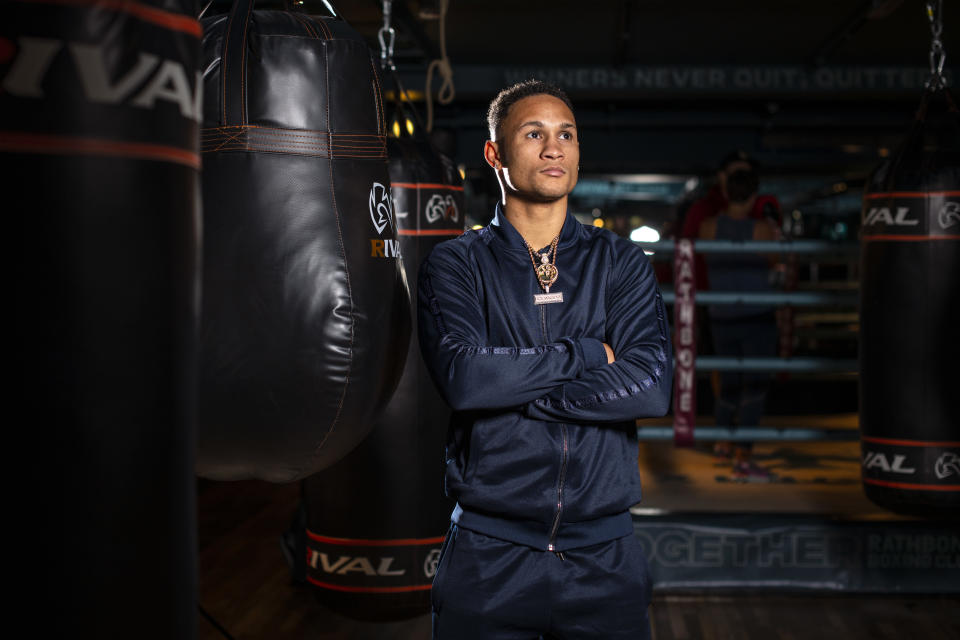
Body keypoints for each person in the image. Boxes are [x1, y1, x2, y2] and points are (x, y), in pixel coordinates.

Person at [417, 79, 672, 639]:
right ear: (495, 153)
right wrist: (586, 354)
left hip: (605, 560)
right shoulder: (456, 265)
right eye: (534, 134)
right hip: (489, 558)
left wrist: (515, 392)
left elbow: (651, 387)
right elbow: (466, 380)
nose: (554, 148)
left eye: (566, 135)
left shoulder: (622, 263)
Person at [698, 165, 779, 481]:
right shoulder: (760, 230)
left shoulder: (708, 226)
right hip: (756, 314)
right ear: (755, 196)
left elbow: (706, 259)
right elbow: (775, 261)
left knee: (728, 381)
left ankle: (722, 443)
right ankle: (743, 454)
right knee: (754, 384)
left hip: (721, 314)